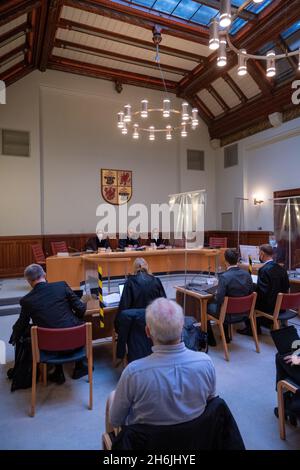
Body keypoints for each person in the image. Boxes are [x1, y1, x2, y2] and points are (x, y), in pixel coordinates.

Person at [107, 298, 216, 429]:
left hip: (146, 443)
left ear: (147, 332)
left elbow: (115, 420)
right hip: (195, 440)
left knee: (112, 397)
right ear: (182, 327)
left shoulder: (133, 373)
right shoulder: (205, 362)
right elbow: (211, 404)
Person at [10, 264, 89, 384]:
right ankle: (80, 365)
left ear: (28, 281)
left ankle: (59, 372)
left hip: (50, 348)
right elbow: (81, 310)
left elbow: (22, 324)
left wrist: (14, 335)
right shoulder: (61, 286)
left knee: (49, 325)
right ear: (45, 275)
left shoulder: (27, 300)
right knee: (72, 322)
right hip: (75, 341)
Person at [238, 244, 290, 336]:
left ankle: (253, 329)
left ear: (262, 254)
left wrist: (251, 290)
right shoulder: (282, 269)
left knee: (248, 300)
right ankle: (264, 323)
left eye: (259, 254)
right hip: (282, 306)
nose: (259, 256)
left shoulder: (264, 270)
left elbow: (262, 294)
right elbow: (286, 287)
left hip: (270, 307)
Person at [207, 249, 253, 345]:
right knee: (227, 302)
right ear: (237, 260)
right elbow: (250, 292)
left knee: (205, 306)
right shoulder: (247, 274)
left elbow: (219, 299)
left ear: (225, 261)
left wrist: (216, 292)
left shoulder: (224, 277)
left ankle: (210, 340)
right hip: (245, 313)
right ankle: (226, 336)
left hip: (227, 315)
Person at [116, 258, 166, 327]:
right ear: (147, 267)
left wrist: (117, 325)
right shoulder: (156, 281)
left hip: (136, 325)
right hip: (153, 324)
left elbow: (124, 308)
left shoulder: (130, 282)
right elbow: (164, 303)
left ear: (134, 268)